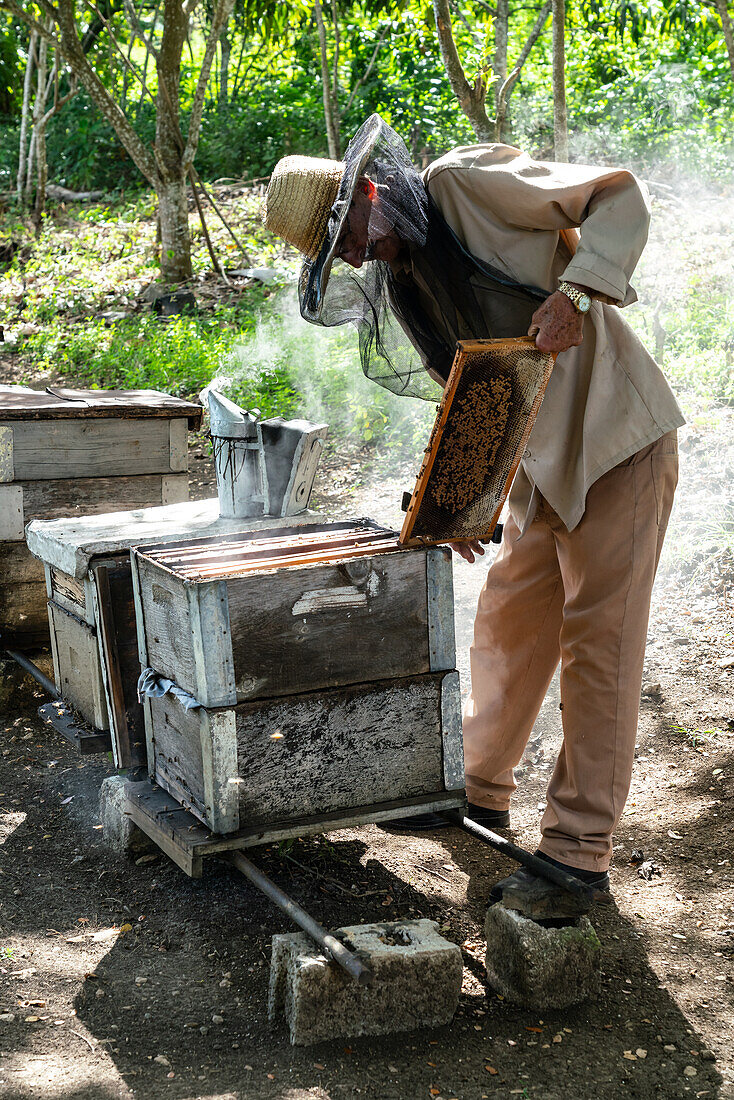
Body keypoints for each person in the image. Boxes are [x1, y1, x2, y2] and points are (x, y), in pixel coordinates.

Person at [262, 115, 683, 918]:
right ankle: (480, 791)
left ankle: (576, 855)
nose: (349, 258)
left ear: (371, 193)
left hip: (616, 446)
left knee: (599, 647)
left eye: (341, 236)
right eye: (331, 257)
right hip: (540, 471)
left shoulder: (465, 184)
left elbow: (616, 195)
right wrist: (459, 495)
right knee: (508, 622)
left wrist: (580, 289)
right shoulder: (407, 276)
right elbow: (482, 390)